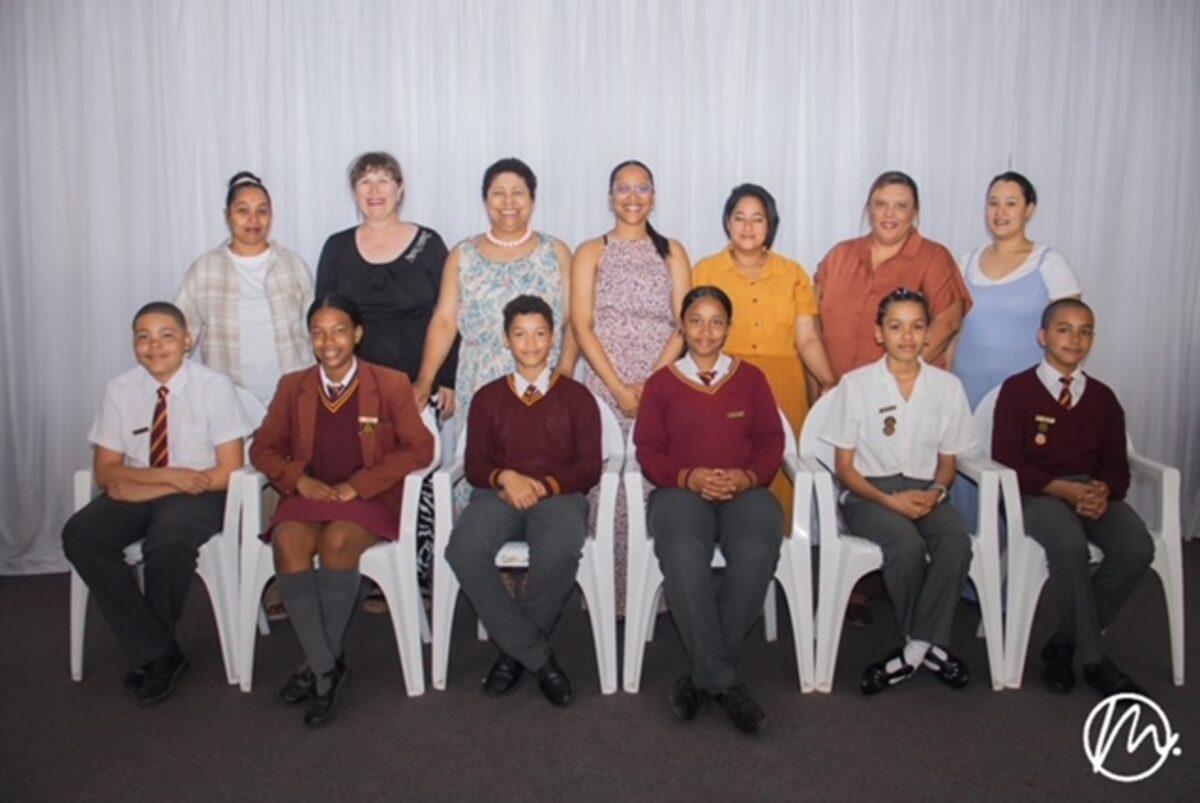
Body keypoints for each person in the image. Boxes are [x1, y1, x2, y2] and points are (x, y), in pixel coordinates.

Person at [249, 294, 435, 727]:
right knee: (288, 542)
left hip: (368, 498)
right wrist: (299, 480)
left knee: (337, 543)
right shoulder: (292, 386)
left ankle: (319, 669)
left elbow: (419, 447)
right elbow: (264, 448)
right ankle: (326, 665)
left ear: (357, 334)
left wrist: (359, 485)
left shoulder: (388, 383)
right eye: (318, 332)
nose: (328, 341)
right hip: (310, 493)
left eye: (338, 330)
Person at [62, 302, 251, 706]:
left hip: (200, 495)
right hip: (155, 485)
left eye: (166, 335)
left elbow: (229, 470)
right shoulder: (120, 389)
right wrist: (168, 478)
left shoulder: (214, 386)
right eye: (143, 337)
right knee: (80, 534)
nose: (154, 345)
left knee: (167, 544)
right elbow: (106, 471)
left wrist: (149, 485)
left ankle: (151, 652)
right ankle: (158, 649)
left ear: (187, 341)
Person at [816, 170, 974, 626]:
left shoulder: (933, 257)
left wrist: (899, 370)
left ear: (915, 212)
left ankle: (900, 606)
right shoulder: (841, 256)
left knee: (909, 499)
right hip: (845, 393)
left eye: (901, 205)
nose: (890, 214)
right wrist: (828, 384)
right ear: (869, 207)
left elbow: (947, 320)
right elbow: (814, 317)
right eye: (882, 204)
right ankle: (867, 586)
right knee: (860, 490)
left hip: (904, 398)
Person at [635, 286, 784, 735]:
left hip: (745, 489)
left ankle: (703, 676)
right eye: (696, 320)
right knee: (682, 552)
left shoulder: (752, 378)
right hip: (679, 490)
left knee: (758, 549)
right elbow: (648, 449)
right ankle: (723, 680)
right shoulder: (662, 382)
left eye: (716, 321)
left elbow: (771, 442)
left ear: (728, 327)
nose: (706, 330)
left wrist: (746, 477)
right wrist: (688, 477)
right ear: (682, 326)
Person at [445, 295, 602, 707]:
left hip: (559, 497)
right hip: (499, 495)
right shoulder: (489, 397)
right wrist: (507, 477)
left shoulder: (577, 397)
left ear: (553, 338)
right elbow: (476, 463)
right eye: (520, 334)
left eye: (539, 334)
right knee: (463, 547)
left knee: (559, 547)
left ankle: (513, 654)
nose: (530, 344)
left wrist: (544, 486)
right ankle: (538, 656)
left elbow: (588, 468)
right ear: (506, 339)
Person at [992, 299, 1152, 698]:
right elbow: (1007, 461)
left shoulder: (1103, 398)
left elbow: (1117, 466)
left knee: (1136, 548)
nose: (1075, 339)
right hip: (1034, 492)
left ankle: (1064, 642)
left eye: (1085, 331)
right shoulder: (1018, 390)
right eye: (1064, 329)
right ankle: (1094, 660)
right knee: (1068, 546)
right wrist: (1062, 489)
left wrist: (1104, 492)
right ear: (1043, 336)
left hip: (1088, 490)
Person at [821, 288, 977, 695]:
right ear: (879, 333)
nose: (907, 337)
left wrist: (937, 493)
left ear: (928, 334)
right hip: (869, 493)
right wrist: (891, 501)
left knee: (956, 542)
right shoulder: (855, 385)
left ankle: (913, 650)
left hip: (926, 490)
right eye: (896, 327)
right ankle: (931, 648)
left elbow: (948, 463)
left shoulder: (947, 387)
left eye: (917, 327)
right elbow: (845, 468)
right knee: (905, 545)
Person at [315, 151, 453, 604]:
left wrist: (441, 379)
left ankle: (418, 575)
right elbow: (324, 321)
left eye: (383, 181)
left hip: (416, 387)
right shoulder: (337, 247)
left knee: (418, 478)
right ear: (354, 193)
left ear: (400, 189)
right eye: (364, 183)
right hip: (354, 392)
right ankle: (361, 569)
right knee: (360, 474)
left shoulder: (428, 243)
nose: (375, 192)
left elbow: (448, 314)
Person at [571, 159, 690, 615]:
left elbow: (685, 326)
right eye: (624, 188)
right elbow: (582, 325)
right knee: (605, 484)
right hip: (604, 383)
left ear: (654, 197)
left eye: (643, 188)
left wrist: (652, 385)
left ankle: (653, 595)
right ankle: (604, 595)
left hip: (661, 383)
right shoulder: (591, 252)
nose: (633, 197)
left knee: (653, 483)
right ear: (610, 197)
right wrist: (619, 388)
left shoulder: (673, 251)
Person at [694, 183, 835, 524]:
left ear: (770, 224)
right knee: (728, 471)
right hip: (725, 382)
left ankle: (785, 559)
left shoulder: (793, 273)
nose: (747, 227)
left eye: (757, 219)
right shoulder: (705, 271)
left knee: (782, 471)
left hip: (783, 386)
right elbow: (695, 335)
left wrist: (830, 381)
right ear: (727, 222)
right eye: (739, 218)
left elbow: (807, 338)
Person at [415, 157, 577, 428]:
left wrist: (566, 369)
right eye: (498, 194)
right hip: (479, 379)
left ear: (532, 200)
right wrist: (425, 378)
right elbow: (444, 322)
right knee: (485, 462)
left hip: (544, 380)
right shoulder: (462, 255)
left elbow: (574, 320)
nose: (509, 202)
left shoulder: (556, 251)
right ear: (485, 200)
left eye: (518, 193)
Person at [175, 171, 314, 407]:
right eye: (243, 211)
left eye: (262, 211)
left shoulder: (293, 265)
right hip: (229, 398)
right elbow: (179, 337)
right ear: (227, 216)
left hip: (292, 394)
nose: (254, 220)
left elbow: (312, 331)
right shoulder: (204, 270)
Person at [952, 171, 1082, 408]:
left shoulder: (1049, 262)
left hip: (1028, 395)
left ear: (1029, 209)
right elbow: (952, 331)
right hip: (968, 391)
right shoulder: (966, 262)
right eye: (993, 203)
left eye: (1011, 204)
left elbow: (1071, 334)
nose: (1000, 212)